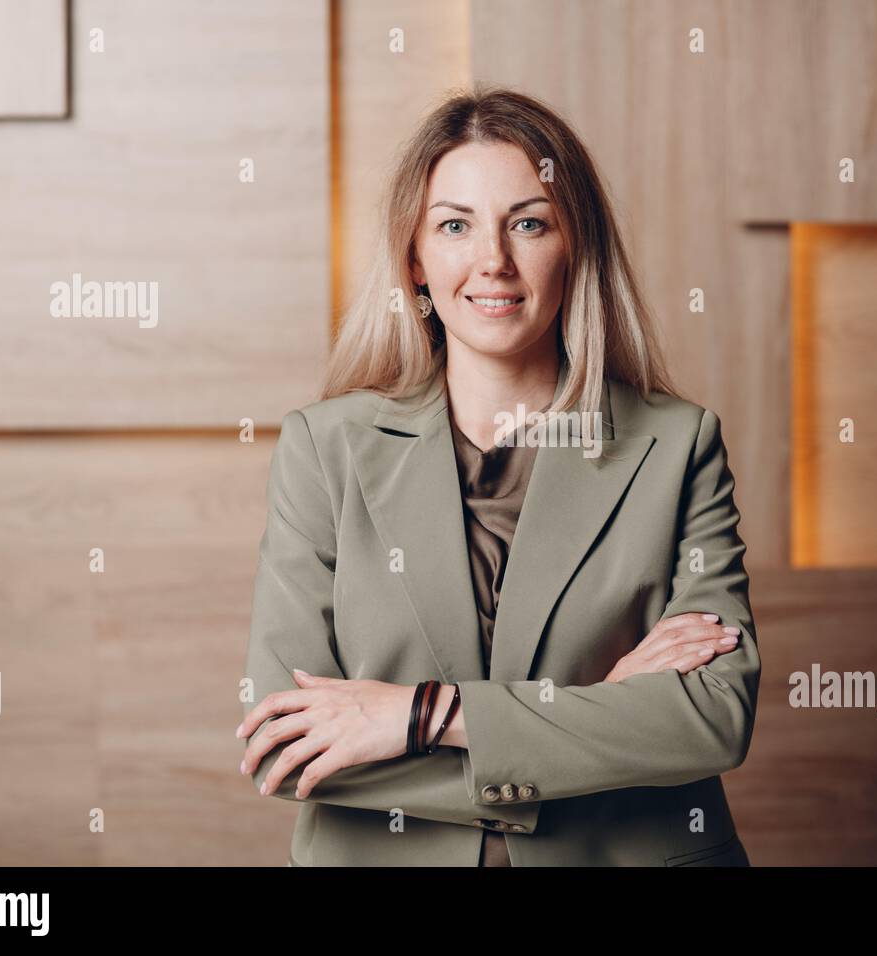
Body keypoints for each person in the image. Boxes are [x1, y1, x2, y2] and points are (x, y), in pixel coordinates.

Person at [237, 86, 759, 866]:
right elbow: (288, 744)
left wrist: (418, 715)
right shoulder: (325, 447)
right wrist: (604, 719)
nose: (493, 261)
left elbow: (710, 720)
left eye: (528, 222)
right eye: (455, 225)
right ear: (414, 257)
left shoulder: (677, 444)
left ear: (574, 243)